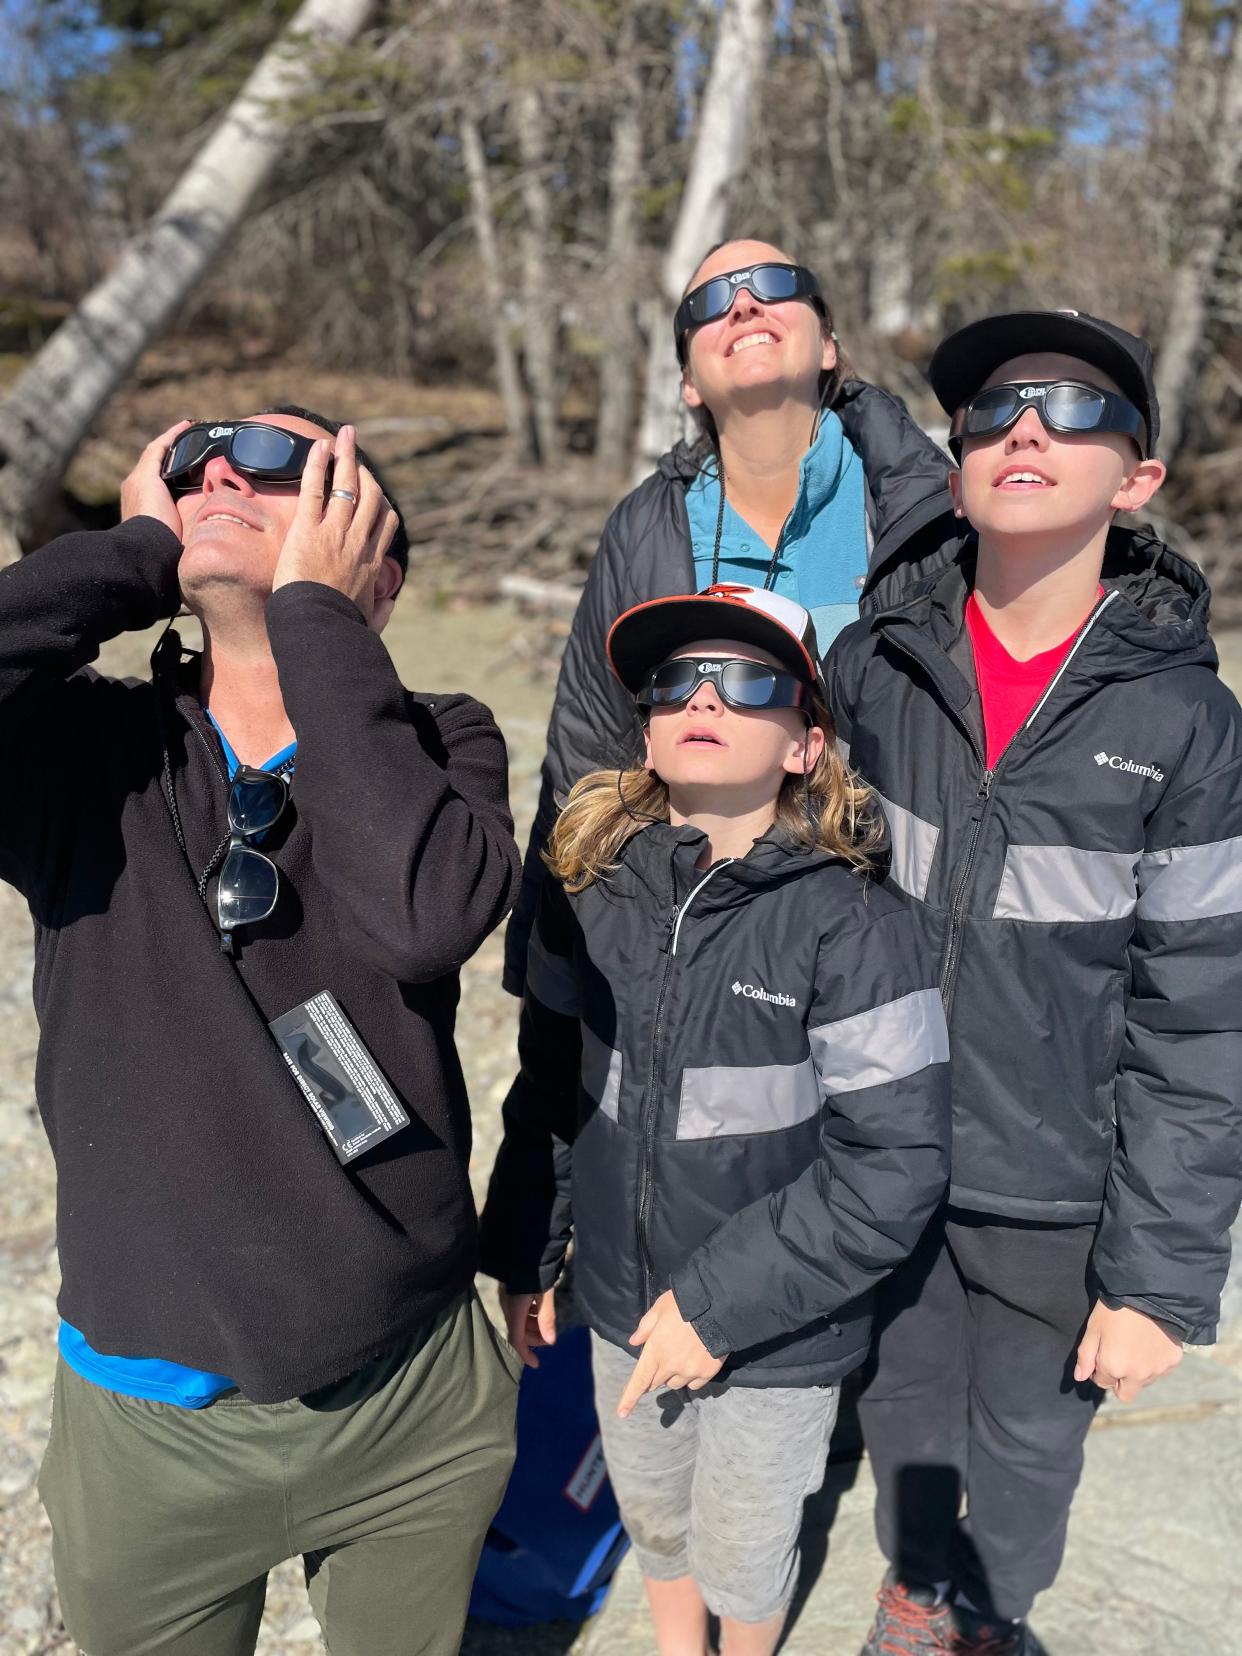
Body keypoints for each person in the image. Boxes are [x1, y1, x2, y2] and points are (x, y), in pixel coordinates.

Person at [0, 410, 524, 1655]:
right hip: (149, 1425)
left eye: (285, 468)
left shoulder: (445, 740)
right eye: (194, 470)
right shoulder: (90, 752)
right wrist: (129, 552)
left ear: (374, 566)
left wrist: (319, 628)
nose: (222, 475)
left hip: (411, 1396)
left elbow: (416, 922)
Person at [824, 311, 1242, 1655]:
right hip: (874, 1156)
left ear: (1134, 482)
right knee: (901, 1418)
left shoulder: (1182, 720)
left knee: (1022, 1458)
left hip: (1053, 1188)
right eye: (994, 410)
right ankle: (914, 1590)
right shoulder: (871, 666)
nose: (1021, 430)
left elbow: (1203, 1007)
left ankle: (989, 1616)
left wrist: (1157, 1282)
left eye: (1070, 411)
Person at [479, 583, 952, 1656]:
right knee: (652, 1511)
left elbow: (896, 1163)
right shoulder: (584, 887)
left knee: (744, 1541)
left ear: (805, 744)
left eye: (746, 682)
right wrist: (526, 1253)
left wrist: (718, 1306)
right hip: (617, 1300)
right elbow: (551, 1087)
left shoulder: (857, 924)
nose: (704, 698)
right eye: (673, 680)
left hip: (780, 1327)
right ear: (645, 726)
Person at [503, 236, 960, 994]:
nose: (743, 303)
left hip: (896, 939)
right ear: (687, 381)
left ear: (829, 346)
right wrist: (561, 991)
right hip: (704, 945)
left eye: (775, 285)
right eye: (710, 302)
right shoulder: (645, 528)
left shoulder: (925, 513)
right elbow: (588, 753)